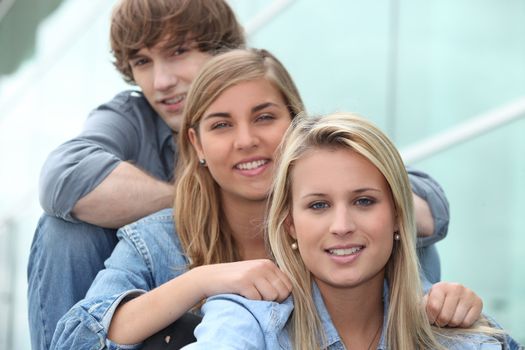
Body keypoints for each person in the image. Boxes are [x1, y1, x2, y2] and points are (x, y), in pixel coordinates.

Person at [52, 49, 484, 350]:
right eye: (221, 125)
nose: (247, 141)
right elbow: (74, 339)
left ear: (296, 123)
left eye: (264, 117)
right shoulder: (157, 239)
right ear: (197, 144)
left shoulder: (344, 228)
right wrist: (203, 281)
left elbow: (419, 206)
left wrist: (448, 304)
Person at [183, 112, 520, 349]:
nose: (342, 226)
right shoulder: (246, 319)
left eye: (363, 201)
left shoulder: (460, 334)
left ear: (399, 217)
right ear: (290, 225)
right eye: (318, 205)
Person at [27, 1, 245, 349]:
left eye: (178, 51)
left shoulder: (261, 105)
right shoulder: (133, 115)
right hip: (141, 315)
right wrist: (201, 203)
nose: (161, 82)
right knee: (65, 231)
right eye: (142, 62)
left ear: (221, 50)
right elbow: (63, 176)